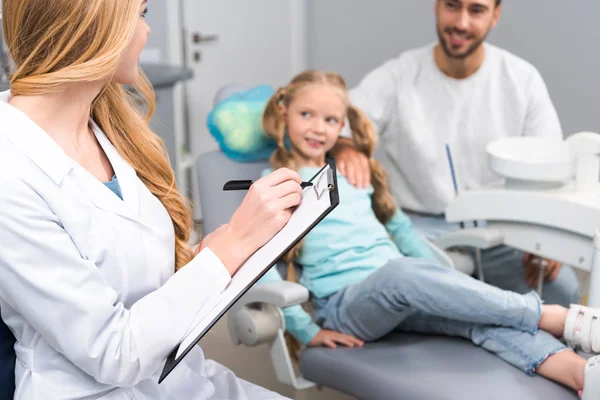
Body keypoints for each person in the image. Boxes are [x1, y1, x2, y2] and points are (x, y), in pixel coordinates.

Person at [0, 0, 303, 398]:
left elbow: (135, 275)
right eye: (140, 13)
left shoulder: (104, 128)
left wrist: (204, 257)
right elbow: (114, 352)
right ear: (91, 22)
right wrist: (232, 246)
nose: (147, 31)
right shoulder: (11, 169)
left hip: (177, 377)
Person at [258, 70, 598, 395]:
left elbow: (402, 231)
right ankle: (550, 316)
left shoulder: (352, 173)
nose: (318, 128)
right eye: (306, 114)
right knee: (401, 272)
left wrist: (448, 286)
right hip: (347, 306)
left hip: (400, 293)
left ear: (342, 125)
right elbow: (259, 266)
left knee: (475, 316)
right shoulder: (278, 183)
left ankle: (581, 375)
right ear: (284, 111)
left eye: (330, 120)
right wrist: (308, 331)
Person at [332, 0, 581, 307]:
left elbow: (550, 167)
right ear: (436, 6)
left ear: (495, 15)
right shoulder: (399, 75)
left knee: (563, 293)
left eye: (476, 10)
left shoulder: (522, 79)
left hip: (501, 233)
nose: (461, 23)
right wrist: (346, 147)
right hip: (418, 230)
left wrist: (546, 237)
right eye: (452, 5)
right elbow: (338, 120)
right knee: (416, 302)